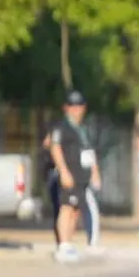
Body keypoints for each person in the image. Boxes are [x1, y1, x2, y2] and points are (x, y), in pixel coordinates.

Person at [48, 90, 102, 263]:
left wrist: (95, 172)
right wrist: (63, 171)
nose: (76, 109)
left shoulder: (83, 129)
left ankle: (69, 244)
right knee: (66, 207)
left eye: (79, 106)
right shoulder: (61, 126)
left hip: (82, 176)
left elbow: (89, 152)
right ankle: (63, 245)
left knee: (76, 209)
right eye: (72, 106)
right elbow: (55, 148)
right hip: (69, 174)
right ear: (66, 108)